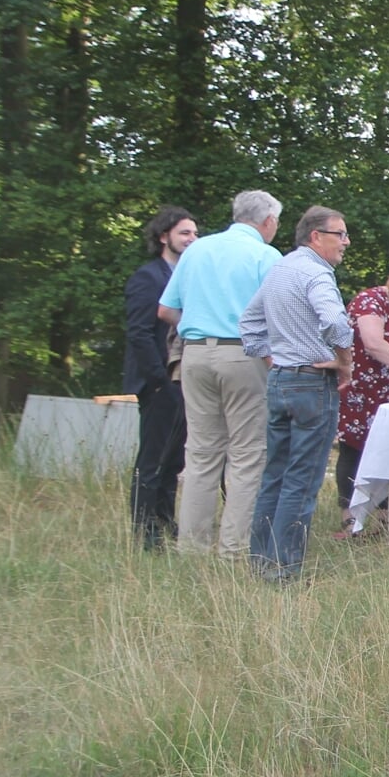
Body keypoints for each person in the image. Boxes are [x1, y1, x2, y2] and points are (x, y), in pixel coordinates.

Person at [157, 190, 283, 560]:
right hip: (244, 353)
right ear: (268, 221)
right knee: (246, 454)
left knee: (200, 454)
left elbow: (166, 310)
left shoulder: (196, 250)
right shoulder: (264, 255)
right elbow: (278, 314)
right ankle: (234, 548)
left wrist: (199, 325)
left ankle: (191, 548)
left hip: (194, 355)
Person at [240, 206, 354, 581]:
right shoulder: (316, 273)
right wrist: (344, 361)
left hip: (282, 381)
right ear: (315, 236)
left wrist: (275, 361)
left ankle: (260, 561)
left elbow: (249, 322)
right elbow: (336, 321)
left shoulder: (280, 269)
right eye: (340, 234)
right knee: (302, 481)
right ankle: (283, 569)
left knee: (275, 475)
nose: (346, 243)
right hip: (311, 385)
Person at [124, 206, 198, 551]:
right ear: (163, 236)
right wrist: (159, 381)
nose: (191, 239)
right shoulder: (148, 277)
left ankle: (166, 520)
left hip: (185, 379)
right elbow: (139, 334)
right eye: (184, 233)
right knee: (153, 459)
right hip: (158, 382)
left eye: (195, 234)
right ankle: (144, 530)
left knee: (175, 458)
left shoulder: (190, 275)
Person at [333, 264, 389, 531]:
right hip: (360, 388)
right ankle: (350, 516)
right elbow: (372, 342)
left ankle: (385, 516)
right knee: (354, 447)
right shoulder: (370, 300)